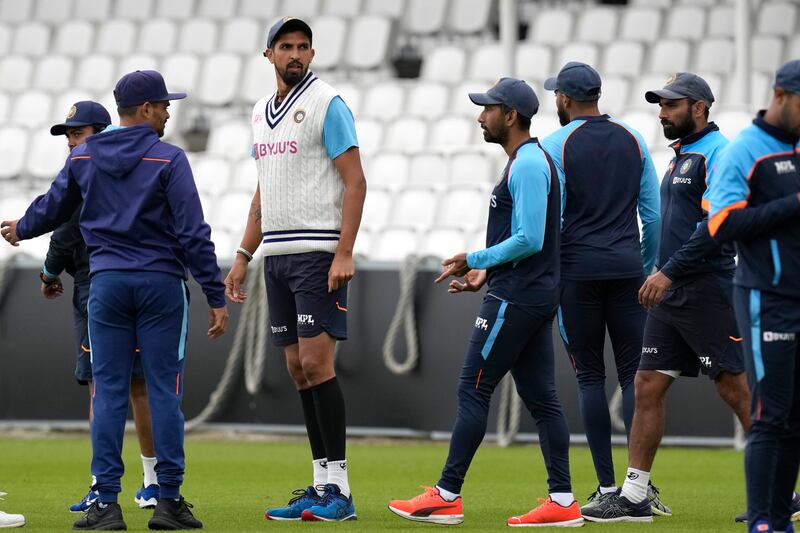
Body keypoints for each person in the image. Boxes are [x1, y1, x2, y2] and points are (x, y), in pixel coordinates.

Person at [1, 69, 228, 531]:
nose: (168, 112)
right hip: (161, 287)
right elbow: (192, 232)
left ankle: (105, 503)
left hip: (105, 285)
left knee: (107, 394)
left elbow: (55, 204)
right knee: (164, 391)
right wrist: (214, 292)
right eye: (163, 105)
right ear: (144, 109)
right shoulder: (170, 159)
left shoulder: (83, 154)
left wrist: (21, 227)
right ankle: (168, 502)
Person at [388, 78, 583, 528]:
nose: (481, 116)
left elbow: (531, 238)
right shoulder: (531, 161)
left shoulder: (530, 165)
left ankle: (446, 496)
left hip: (517, 299)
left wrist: (475, 258)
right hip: (527, 293)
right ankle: (562, 501)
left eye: (488, 109)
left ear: (510, 115)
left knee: (473, 389)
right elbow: (528, 239)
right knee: (543, 400)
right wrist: (486, 271)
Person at [580, 73, 755, 522]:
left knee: (735, 389)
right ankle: (636, 494)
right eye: (660, 105)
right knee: (647, 383)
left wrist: (667, 273)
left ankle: (782, 484)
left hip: (708, 289)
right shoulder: (681, 158)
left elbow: (714, 228)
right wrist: (658, 273)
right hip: (673, 291)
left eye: (671, 105)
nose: (662, 113)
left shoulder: (721, 154)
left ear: (699, 107)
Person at [224, 17, 366, 522]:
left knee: (316, 364)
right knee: (295, 368)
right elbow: (264, 188)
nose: (296, 54)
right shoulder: (262, 113)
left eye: (303, 46)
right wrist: (243, 255)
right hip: (277, 255)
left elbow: (355, 181)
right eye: (286, 46)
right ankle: (320, 481)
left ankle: (341, 492)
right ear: (268, 55)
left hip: (317, 252)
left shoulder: (327, 103)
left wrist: (344, 252)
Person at [539, 61, 665, 515]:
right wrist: (645, 264)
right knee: (635, 377)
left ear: (565, 99)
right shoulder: (633, 139)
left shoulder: (556, 145)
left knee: (590, 377)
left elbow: (551, 218)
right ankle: (638, 487)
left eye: (556, 95)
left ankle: (609, 489)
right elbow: (652, 215)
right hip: (629, 270)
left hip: (577, 273)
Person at [41, 100, 161, 514]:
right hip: (144, 280)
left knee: (103, 388)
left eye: (78, 133)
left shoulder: (87, 168)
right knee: (140, 387)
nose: (73, 142)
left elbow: (65, 228)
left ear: (102, 131)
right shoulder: (135, 162)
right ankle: (154, 482)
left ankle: (102, 486)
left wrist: (48, 272)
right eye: (69, 135)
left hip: (99, 287)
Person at [706, 59, 800, 533]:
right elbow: (720, 224)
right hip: (768, 297)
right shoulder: (746, 149)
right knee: (770, 416)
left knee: (796, 421)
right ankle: (760, 522)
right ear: (782, 95)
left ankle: (781, 521)